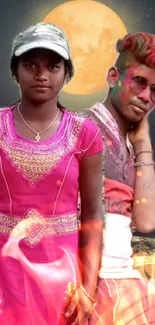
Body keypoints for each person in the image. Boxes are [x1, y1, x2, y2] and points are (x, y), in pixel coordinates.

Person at [0, 22, 103, 325]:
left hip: (63, 275)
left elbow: (94, 214)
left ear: (66, 73)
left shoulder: (85, 133)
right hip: (5, 271)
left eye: (53, 66)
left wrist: (88, 287)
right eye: (30, 64)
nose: (41, 74)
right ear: (15, 71)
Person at [82, 32, 155, 324]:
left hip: (125, 286)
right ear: (114, 76)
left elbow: (146, 222)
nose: (147, 97)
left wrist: (144, 144)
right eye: (139, 82)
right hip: (85, 286)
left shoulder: (132, 146)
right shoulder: (80, 127)